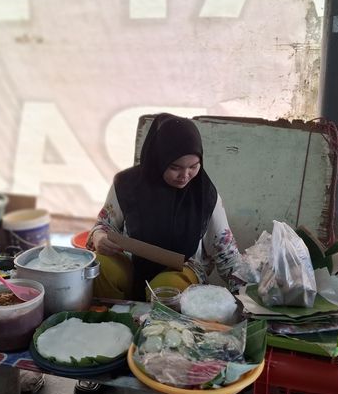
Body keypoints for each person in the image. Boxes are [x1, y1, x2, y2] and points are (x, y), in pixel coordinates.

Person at [87, 113, 243, 300]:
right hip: (132, 263)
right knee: (100, 268)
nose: (185, 175)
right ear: (157, 161)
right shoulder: (127, 185)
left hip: (183, 269)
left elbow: (226, 251)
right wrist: (100, 237)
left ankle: (160, 330)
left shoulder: (204, 195)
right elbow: (104, 225)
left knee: (166, 289)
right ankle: (112, 323)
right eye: (175, 167)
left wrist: (247, 296)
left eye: (193, 166)